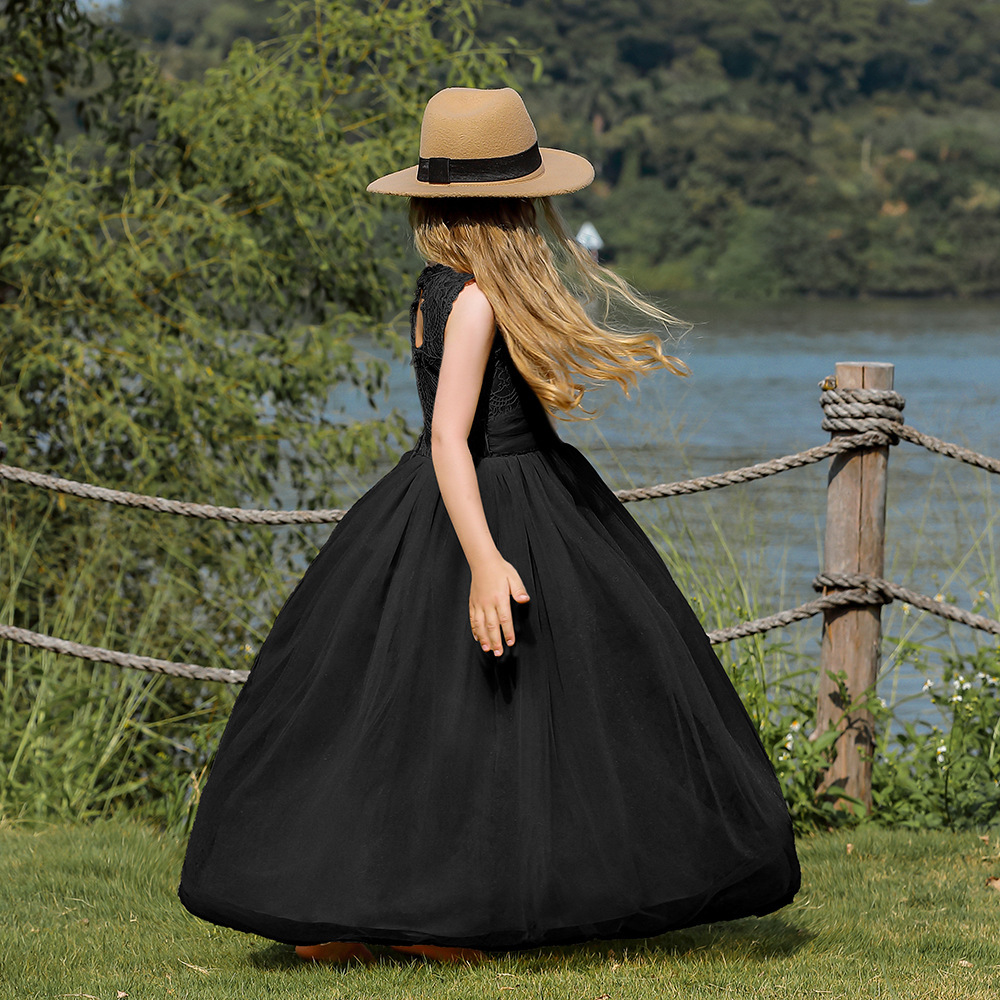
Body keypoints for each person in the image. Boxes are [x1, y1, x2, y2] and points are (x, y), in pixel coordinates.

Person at [177, 86, 801, 966]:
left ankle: (390, 908)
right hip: (489, 503)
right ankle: (437, 918)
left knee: (437, 719)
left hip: (467, 496)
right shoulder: (472, 300)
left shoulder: (435, 290)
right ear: (515, 207)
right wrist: (484, 558)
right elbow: (448, 436)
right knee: (512, 711)